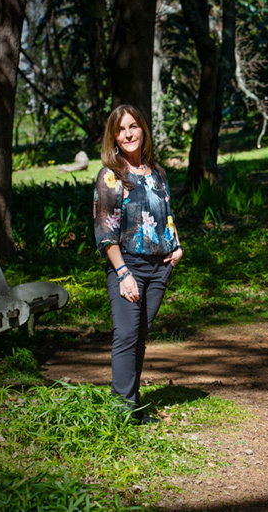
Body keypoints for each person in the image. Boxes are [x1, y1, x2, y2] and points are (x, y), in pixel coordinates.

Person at [93, 104, 183, 423]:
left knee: (140, 336)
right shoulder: (111, 176)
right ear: (114, 137)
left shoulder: (156, 172)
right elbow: (105, 231)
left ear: (143, 130)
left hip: (159, 267)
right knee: (127, 335)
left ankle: (133, 406)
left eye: (133, 126)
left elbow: (166, 213)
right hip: (127, 265)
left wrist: (176, 247)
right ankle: (121, 413)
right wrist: (122, 273)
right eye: (121, 129)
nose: (128, 134)